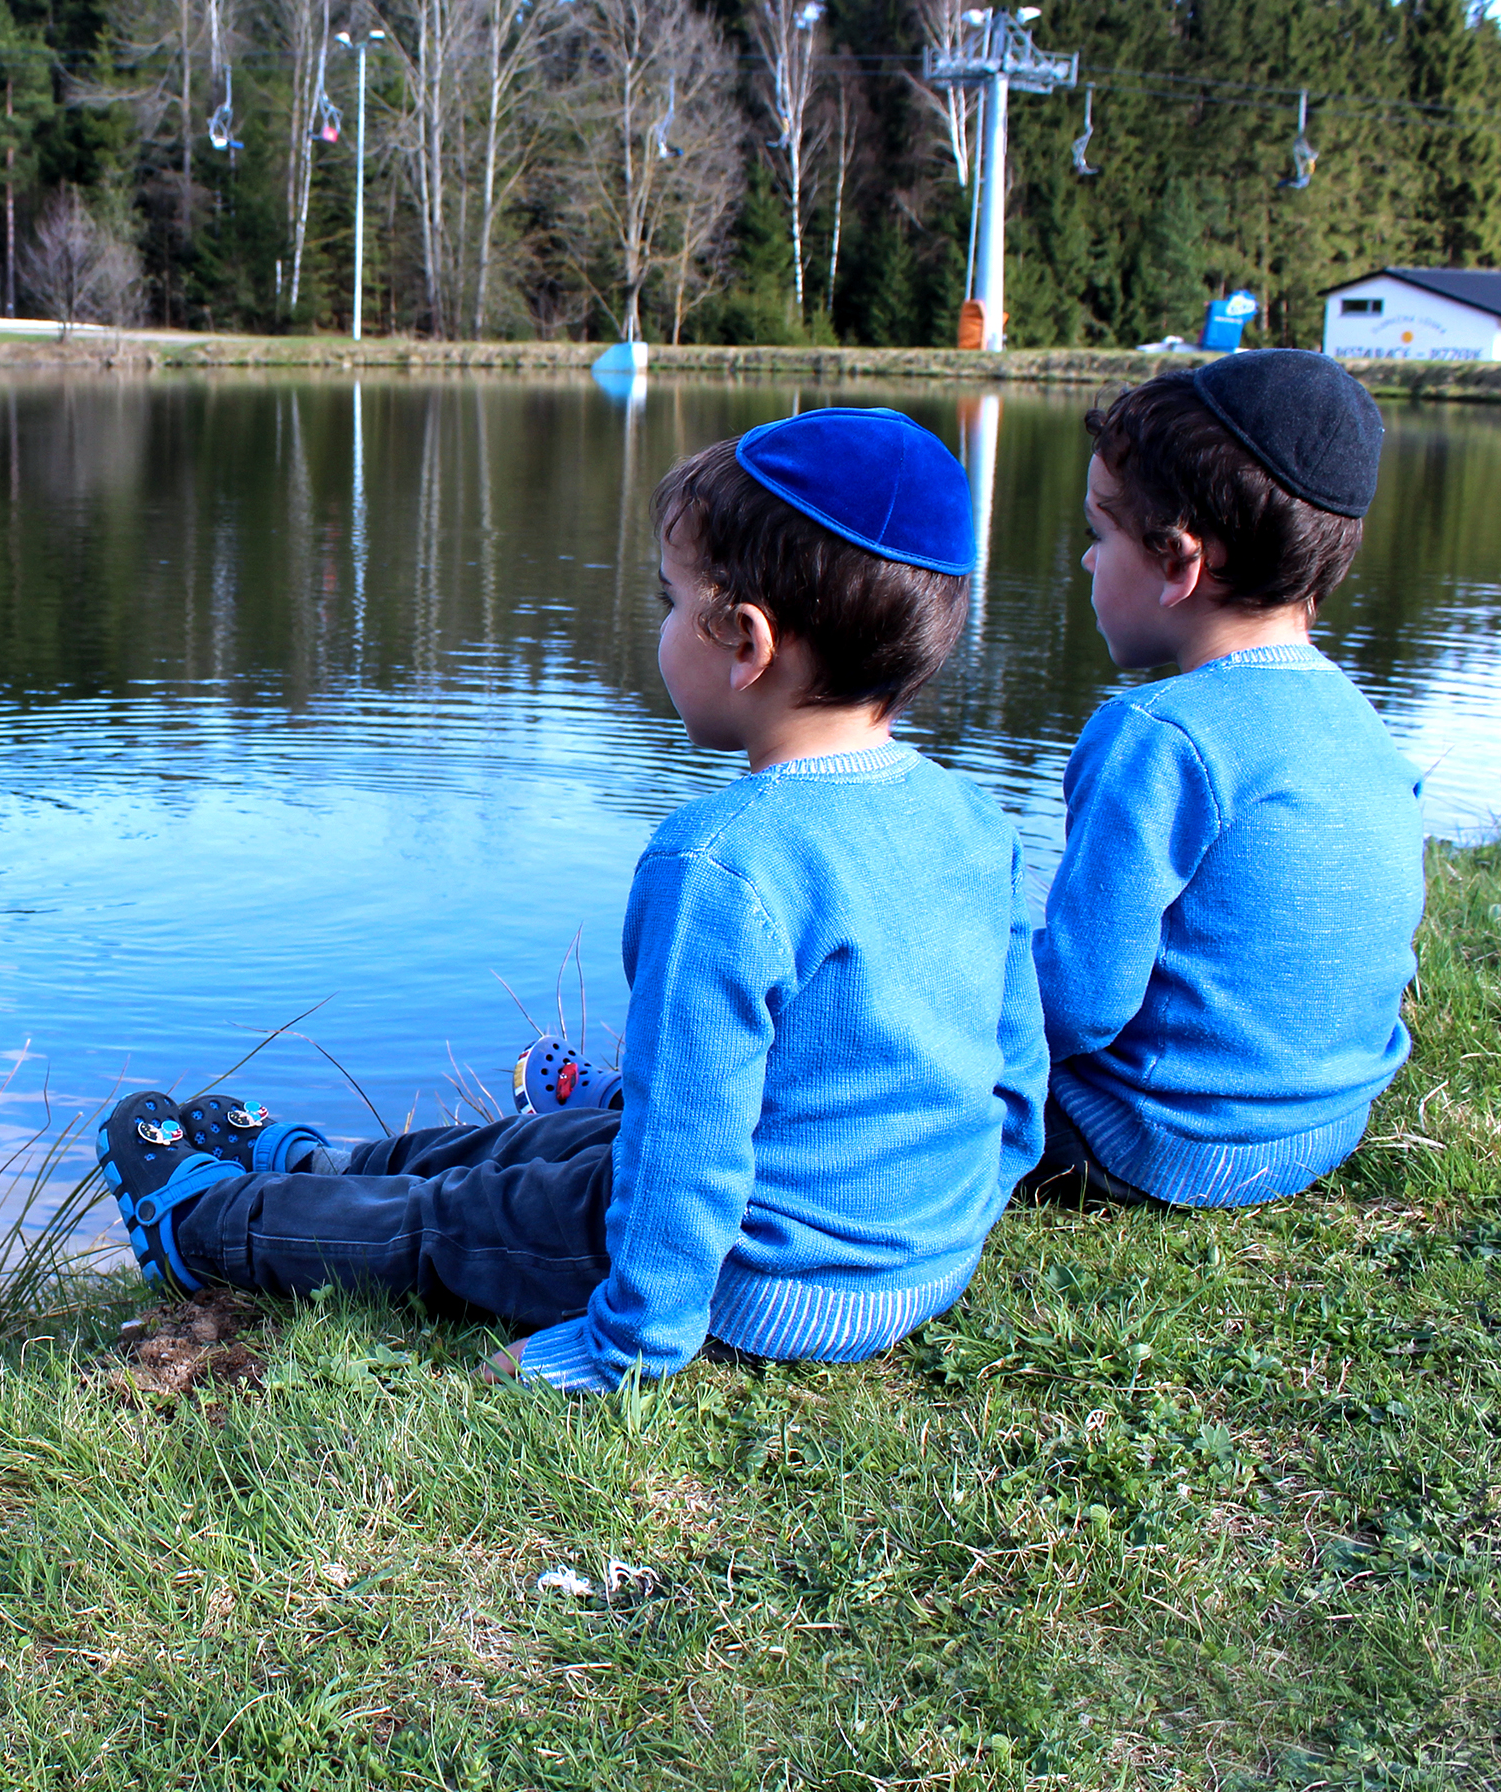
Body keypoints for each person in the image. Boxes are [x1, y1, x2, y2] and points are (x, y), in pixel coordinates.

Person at [96, 408, 1046, 1390]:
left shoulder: (723, 865)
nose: (662, 624)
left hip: (760, 1278)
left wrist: (628, 1345)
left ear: (746, 641)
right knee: (571, 1137)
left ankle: (204, 1226)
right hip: (927, 1254)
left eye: (670, 600)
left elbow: (686, 1151)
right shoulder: (973, 819)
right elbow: (1017, 1076)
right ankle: (320, 1167)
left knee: (467, 1222)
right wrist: (952, 1210)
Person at [1019, 352, 1423, 1210]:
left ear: (1178, 563)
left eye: (1100, 537)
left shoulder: (1158, 736)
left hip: (1161, 1141)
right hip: (1325, 1122)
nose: (1088, 564)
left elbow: (1078, 1007)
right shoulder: (1358, 720)